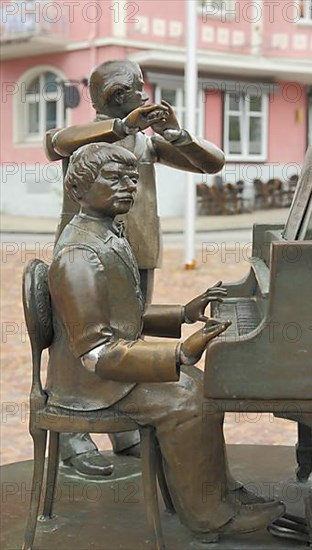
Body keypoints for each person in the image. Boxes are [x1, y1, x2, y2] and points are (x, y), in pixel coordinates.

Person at [46, 142, 285, 541]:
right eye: (113, 178)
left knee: (200, 384)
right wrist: (177, 352)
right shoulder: (78, 256)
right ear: (79, 189)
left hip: (110, 367)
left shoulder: (105, 233)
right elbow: (95, 351)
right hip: (91, 385)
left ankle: (220, 491)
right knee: (186, 403)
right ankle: (210, 518)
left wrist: (183, 314)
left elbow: (122, 315)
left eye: (131, 178)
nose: (128, 187)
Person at [44, 60, 225, 475]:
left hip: (135, 247)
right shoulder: (84, 138)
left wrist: (176, 134)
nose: (144, 94)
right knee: (75, 340)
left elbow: (211, 163)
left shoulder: (147, 144)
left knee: (131, 332)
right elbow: (56, 141)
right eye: (136, 88)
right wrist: (122, 126)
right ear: (114, 95)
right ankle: (73, 432)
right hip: (86, 253)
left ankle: (121, 424)